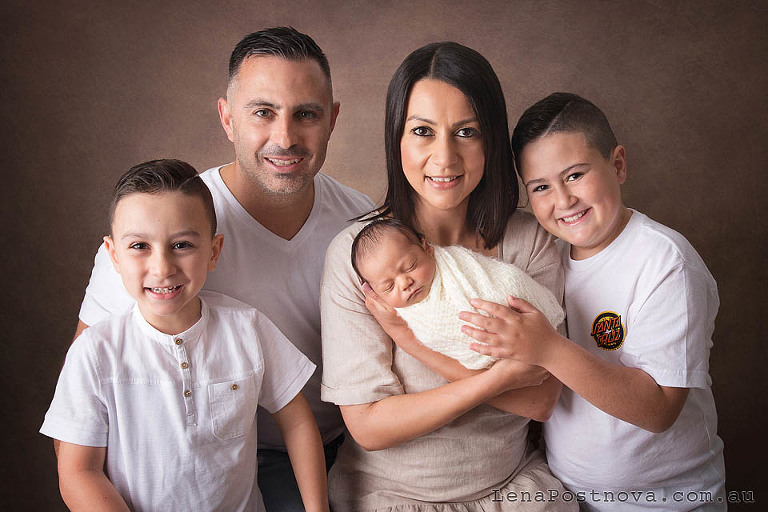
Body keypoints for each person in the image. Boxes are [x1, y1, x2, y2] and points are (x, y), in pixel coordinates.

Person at [70, 28, 373, 510]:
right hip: (221, 461)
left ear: (332, 120)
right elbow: (84, 415)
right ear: (228, 118)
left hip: (350, 446)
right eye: (262, 112)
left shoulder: (363, 224)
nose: (285, 138)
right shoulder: (162, 228)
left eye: (307, 114)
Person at [320, 42, 576, 511]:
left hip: (512, 489)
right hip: (393, 496)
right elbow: (370, 426)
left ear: (491, 140)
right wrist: (496, 381)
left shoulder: (528, 241)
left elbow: (540, 401)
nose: (445, 157)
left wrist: (411, 343)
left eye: (466, 132)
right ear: (396, 139)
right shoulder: (358, 258)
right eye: (423, 131)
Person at [464, 92, 726, 510]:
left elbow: (658, 409)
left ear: (617, 165)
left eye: (574, 175)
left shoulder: (665, 263)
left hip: (668, 501)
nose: (563, 200)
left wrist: (548, 348)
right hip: (568, 494)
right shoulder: (545, 255)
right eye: (541, 187)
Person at [41, 160, 329, 512]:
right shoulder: (95, 353)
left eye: (181, 245)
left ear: (213, 251)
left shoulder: (247, 328)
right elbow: (78, 471)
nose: (162, 268)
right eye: (139, 246)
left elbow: (297, 421)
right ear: (113, 255)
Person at [350, 218, 564, 369]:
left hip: (530, 331)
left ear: (427, 248)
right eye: (388, 287)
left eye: (410, 266)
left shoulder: (453, 264)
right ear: (375, 293)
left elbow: (501, 281)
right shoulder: (397, 314)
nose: (405, 283)